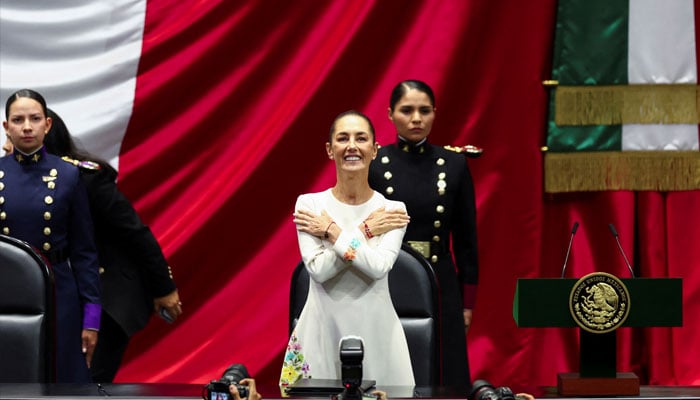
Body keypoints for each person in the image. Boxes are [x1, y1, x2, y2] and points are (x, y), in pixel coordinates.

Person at [41, 108, 183, 382]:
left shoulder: (86, 179)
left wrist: (163, 287)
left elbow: (135, 232)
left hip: (108, 294)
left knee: (87, 384)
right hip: (61, 296)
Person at [279, 110, 414, 387]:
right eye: (343, 138)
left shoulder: (392, 210)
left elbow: (377, 267)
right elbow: (319, 270)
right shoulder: (309, 206)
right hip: (320, 333)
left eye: (361, 138)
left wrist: (333, 232)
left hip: (379, 335)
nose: (352, 146)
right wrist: (366, 231)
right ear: (330, 150)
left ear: (374, 150)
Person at [368, 80, 479, 387]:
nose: (416, 118)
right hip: (389, 278)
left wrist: (467, 303)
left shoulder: (454, 164)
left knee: (446, 371)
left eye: (424, 110)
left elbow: (467, 241)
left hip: (441, 280)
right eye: (407, 110)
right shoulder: (375, 164)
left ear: (434, 114)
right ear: (390, 115)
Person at [1, 89, 101, 383]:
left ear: (48, 124)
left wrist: (92, 319)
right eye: (18, 120)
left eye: (34, 118)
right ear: (7, 127)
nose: (27, 126)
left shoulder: (68, 175)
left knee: (62, 379)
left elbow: (85, 253)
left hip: (59, 292)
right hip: (7, 292)